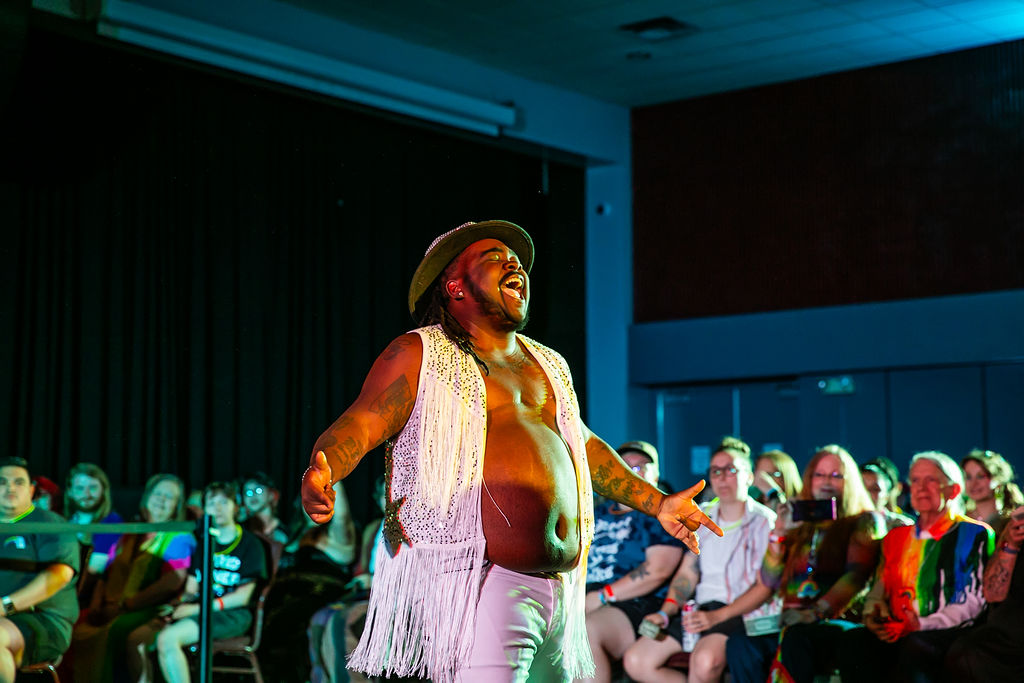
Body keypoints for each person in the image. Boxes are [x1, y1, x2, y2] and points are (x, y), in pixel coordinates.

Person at [301, 220, 722, 683]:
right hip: (479, 581)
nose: (514, 263)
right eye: (494, 257)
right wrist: (326, 469)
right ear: (455, 286)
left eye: (517, 259)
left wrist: (656, 501)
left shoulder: (549, 363)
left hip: (562, 588)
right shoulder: (420, 352)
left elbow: (584, 448)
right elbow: (364, 421)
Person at [726, 444, 885, 683]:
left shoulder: (861, 521)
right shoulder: (799, 521)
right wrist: (779, 534)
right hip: (790, 619)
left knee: (797, 639)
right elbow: (769, 580)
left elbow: (856, 577)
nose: (827, 482)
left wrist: (814, 613)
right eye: (819, 475)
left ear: (850, 481)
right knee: (740, 643)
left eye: (836, 475)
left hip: (836, 620)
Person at [624, 437, 776, 683]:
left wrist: (717, 617)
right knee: (637, 660)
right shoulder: (702, 515)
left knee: (704, 661)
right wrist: (665, 613)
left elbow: (765, 586)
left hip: (740, 613)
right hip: (700, 610)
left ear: (749, 477)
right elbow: (687, 574)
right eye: (716, 471)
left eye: (731, 470)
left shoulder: (764, 521)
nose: (722, 477)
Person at [836, 451, 995, 683]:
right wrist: (873, 612)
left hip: (947, 630)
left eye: (931, 480)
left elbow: (973, 600)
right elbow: (880, 587)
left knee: (915, 645)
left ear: (953, 490)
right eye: (915, 480)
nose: (921, 488)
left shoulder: (973, 533)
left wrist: (921, 624)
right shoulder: (896, 537)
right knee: (854, 642)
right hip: (898, 626)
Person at [130, 481, 267, 683]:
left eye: (224, 502)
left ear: (235, 506)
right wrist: (176, 606)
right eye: (212, 503)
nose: (218, 508)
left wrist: (196, 610)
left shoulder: (250, 544)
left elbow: (242, 597)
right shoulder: (204, 542)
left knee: (168, 639)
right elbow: (191, 588)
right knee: (136, 638)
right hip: (198, 608)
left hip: (230, 614)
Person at [72, 473, 194, 683]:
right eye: (157, 493)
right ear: (147, 496)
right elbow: (105, 574)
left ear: (177, 505)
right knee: (75, 628)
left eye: (169, 497)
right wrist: (96, 604)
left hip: (148, 608)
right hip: (113, 605)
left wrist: (124, 606)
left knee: (117, 632)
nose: (161, 500)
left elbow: (170, 583)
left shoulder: (179, 537)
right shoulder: (130, 531)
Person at [583, 440, 685, 683]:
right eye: (625, 466)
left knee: (586, 632)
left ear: (656, 474)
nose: (632, 472)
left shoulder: (662, 514)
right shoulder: (593, 513)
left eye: (641, 467)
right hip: (586, 597)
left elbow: (657, 570)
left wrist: (601, 596)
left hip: (635, 601)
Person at [0, 457, 80, 679]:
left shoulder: (49, 524)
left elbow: (59, 575)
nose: (10, 487)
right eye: (2, 481)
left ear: (31, 489)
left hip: (44, 621)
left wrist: (5, 606)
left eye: (18, 482)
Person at [945, 504, 1024, 681]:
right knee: (964, 652)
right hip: (1005, 643)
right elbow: (993, 593)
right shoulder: (1015, 525)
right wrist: (1010, 545)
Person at [64, 463, 124, 579]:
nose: (86, 494)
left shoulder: (112, 522)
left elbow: (94, 570)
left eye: (93, 488)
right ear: (70, 491)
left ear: (103, 490)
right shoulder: (62, 521)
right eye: (80, 488)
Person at [960, 448, 1023, 537]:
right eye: (968, 477)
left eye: (981, 476)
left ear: (998, 480)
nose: (973, 483)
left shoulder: (1014, 520)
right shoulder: (960, 522)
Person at [859, 457, 913, 530]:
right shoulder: (844, 525)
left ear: (887, 496)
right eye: (862, 487)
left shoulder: (902, 527)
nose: (867, 494)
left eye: (875, 489)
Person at [241, 472, 289, 545]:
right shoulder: (242, 529)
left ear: (271, 494)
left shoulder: (286, 530)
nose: (253, 495)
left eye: (258, 490)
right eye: (248, 492)